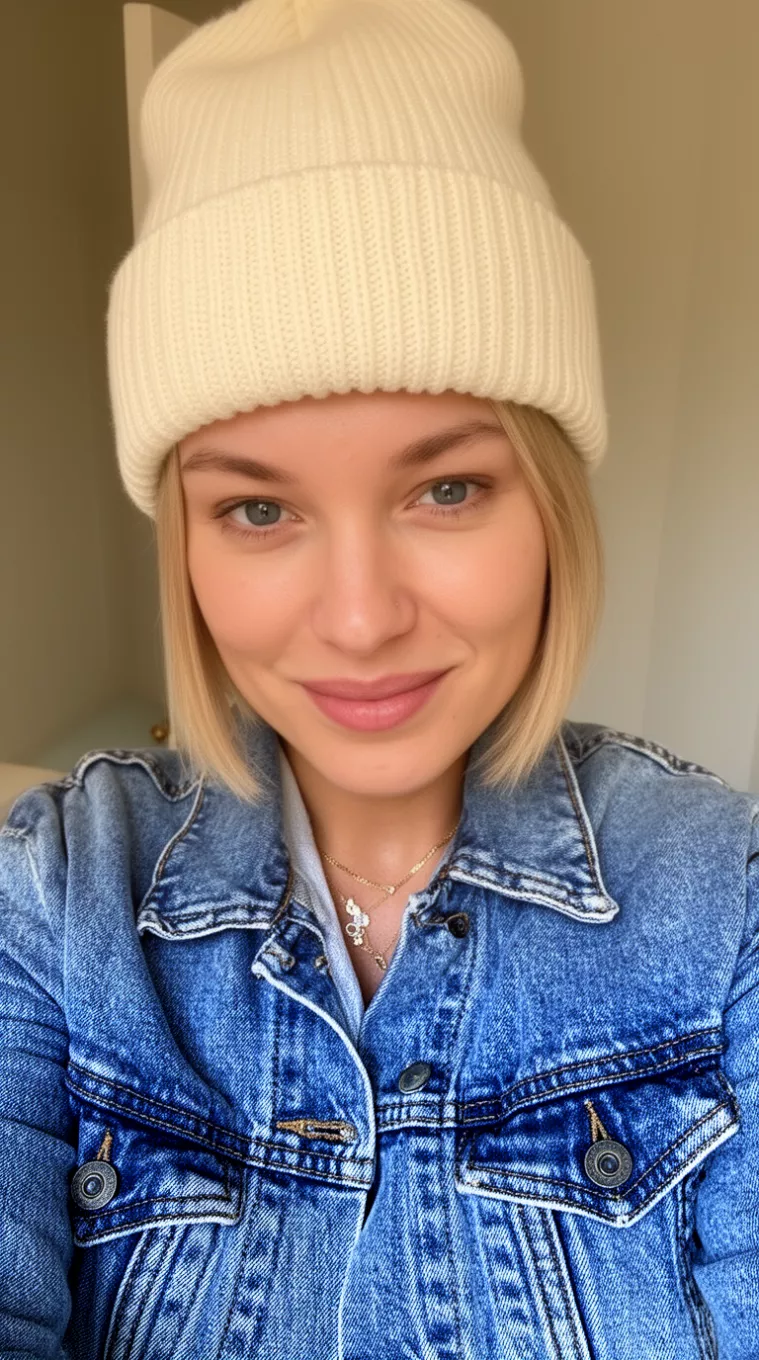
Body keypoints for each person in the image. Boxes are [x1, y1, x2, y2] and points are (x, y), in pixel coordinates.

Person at [0, 0, 757, 1355]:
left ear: (551, 507)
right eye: (258, 509)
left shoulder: (725, 908)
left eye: (446, 489)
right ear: (183, 541)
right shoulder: (55, 900)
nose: (358, 620)